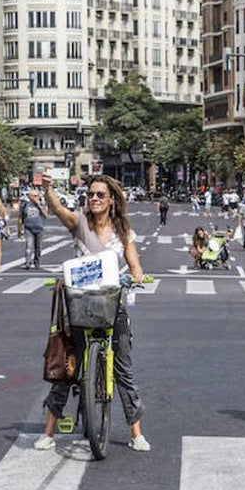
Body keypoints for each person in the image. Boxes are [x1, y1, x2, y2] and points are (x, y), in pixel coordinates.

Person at [35, 174, 149, 452]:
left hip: (113, 304)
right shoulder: (80, 224)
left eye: (100, 194)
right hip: (82, 305)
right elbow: (59, 210)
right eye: (91, 194)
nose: (95, 199)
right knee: (68, 368)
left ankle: (137, 434)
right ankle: (49, 433)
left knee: (123, 369)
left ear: (111, 200)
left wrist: (136, 275)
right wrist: (48, 189)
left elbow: (134, 262)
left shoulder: (123, 231)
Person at [18, 189, 47, 269]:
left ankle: (37, 262)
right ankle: (28, 262)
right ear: (30, 197)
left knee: (38, 247)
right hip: (28, 229)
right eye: (35, 196)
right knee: (29, 246)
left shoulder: (41, 204)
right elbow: (20, 218)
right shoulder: (25, 205)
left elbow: (46, 215)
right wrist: (19, 230)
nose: (37, 197)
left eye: (37, 196)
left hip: (39, 228)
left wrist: (39, 205)